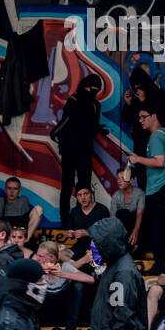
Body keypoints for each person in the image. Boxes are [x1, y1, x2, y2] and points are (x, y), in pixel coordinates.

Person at [129, 105, 165, 275]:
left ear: (154, 115)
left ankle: (160, 265)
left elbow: (159, 162)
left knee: (159, 228)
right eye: (139, 118)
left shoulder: (155, 137)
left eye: (144, 116)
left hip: (158, 189)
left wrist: (138, 159)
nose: (141, 121)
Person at [52, 75, 104, 227]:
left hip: (82, 149)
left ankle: (81, 219)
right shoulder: (76, 101)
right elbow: (67, 121)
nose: (91, 91)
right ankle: (66, 220)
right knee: (69, 185)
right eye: (90, 88)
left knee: (82, 185)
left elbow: (90, 126)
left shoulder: (92, 103)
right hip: (71, 149)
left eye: (95, 89)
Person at [34, 240, 93, 330]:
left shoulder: (64, 266)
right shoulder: (35, 266)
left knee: (78, 286)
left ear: (51, 257)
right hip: (43, 311)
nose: (37, 258)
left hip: (62, 310)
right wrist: (38, 276)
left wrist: (63, 274)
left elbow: (91, 280)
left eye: (41, 256)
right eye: (37, 255)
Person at [0, 176, 42, 244]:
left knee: (39, 209)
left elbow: (22, 217)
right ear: (5, 190)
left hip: (20, 233)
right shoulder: (0, 201)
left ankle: (26, 240)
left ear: (20, 190)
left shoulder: (23, 200)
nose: (12, 191)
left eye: (15, 189)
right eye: (9, 188)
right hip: (4, 233)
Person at [110, 166, 145, 250]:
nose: (119, 181)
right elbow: (113, 217)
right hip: (123, 231)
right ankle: (128, 247)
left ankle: (136, 246)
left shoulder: (139, 193)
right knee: (121, 214)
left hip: (138, 227)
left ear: (131, 180)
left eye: (123, 178)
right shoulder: (116, 196)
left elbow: (139, 214)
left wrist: (135, 232)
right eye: (118, 178)